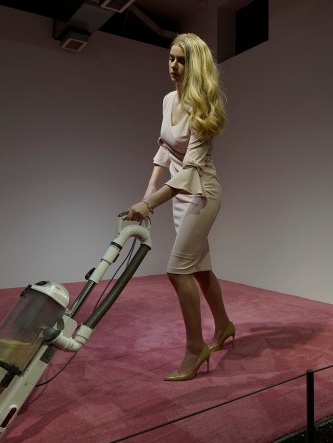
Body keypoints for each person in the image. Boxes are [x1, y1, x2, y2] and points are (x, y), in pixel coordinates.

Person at [125, 33, 235, 382]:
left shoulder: (203, 104)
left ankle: (194, 348)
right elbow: (165, 150)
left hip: (201, 194)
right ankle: (225, 326)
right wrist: (148, 190)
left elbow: (189, 170)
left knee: (177, 271)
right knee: (200, 269)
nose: (174, 66)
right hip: (176, 196)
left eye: (181, 60)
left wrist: (148, 203)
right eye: (171, 58)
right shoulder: (168, 99)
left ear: (196, 64)